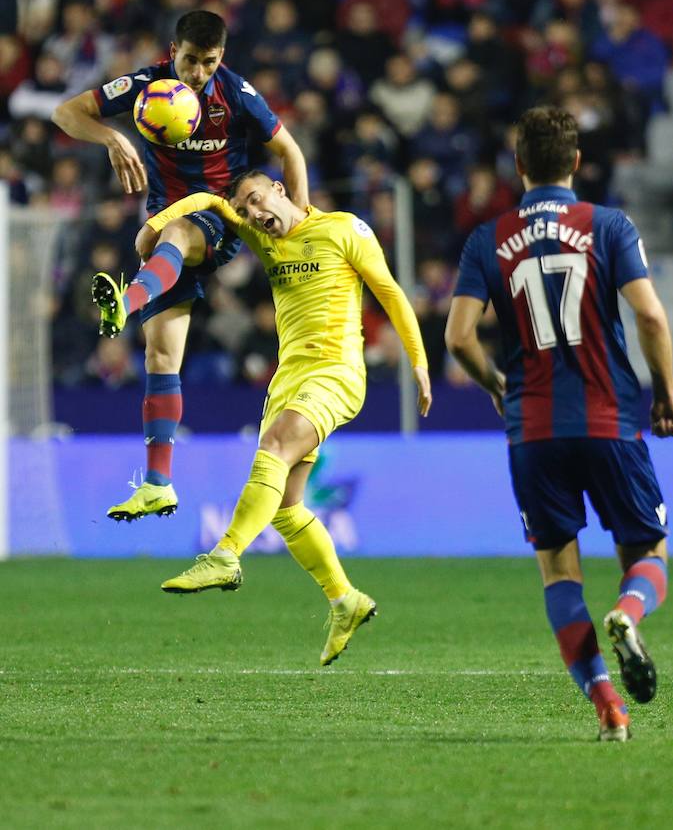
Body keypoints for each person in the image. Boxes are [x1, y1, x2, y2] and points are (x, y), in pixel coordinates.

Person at [92, 170, 432, 665]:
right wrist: (160, 222)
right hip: (287, 380)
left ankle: (225, 555)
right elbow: (208, 200)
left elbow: (392, 293)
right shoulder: (258, 232)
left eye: (257, 200)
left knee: (273, 446)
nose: (255, 215)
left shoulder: (344, 229)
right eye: (246, 211)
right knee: (287, 506)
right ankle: (345, 599)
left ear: (279, 187)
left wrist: (418, 363)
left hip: (335, 372)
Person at [445, 105, 673, 742]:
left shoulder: (486, 238)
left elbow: (458, 336)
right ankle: (630, 612)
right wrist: (665, 394)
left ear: (517, 165)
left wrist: (498, 383)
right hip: (609, 419)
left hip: (533, 429)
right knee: (647, 552)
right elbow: (653, 318)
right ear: (576, 162)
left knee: (559, 573)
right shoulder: (607, 225)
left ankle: (608, 705)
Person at [52, 9, 308, 521]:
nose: (197, 73)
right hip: (165, 241)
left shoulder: (235, 93)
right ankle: (158, 483)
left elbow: (289, 150)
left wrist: (300, 223)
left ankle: (123, 303)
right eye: (190, 61)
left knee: (178, 230)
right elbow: (67, 112)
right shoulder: (146, 85)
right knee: (161, 359)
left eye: (208, 63)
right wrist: (112, 137)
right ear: (173, 52)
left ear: (221, 58)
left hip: (217, 218)